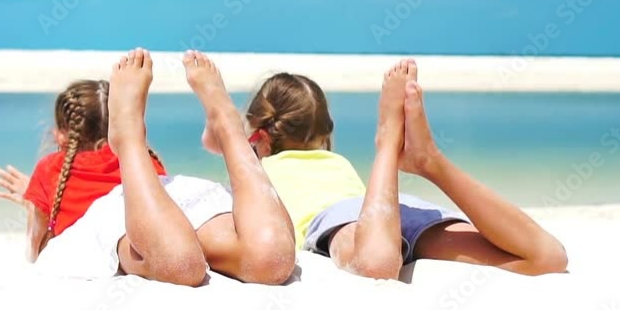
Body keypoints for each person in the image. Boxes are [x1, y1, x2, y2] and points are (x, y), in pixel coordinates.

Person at [213, 59, 567, 279]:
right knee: (546, 258)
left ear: (258, 132)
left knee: (376, 264)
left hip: (342, 220)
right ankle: (430, 162)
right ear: (325, 133)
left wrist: (231, 128)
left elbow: (217, 146)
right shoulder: (337, 163)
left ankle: (389, 145)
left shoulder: (258, 172)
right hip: (387, 208)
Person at [0, 49, 295, 286]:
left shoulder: (50, 169)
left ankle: (129, 138)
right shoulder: (149, 165)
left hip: (132, 229)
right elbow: (154, 199)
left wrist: (35, 205)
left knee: (180, 264)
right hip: (179, 204)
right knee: (272, 259)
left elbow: (34, 251)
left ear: (61, 135)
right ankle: (228, 127)